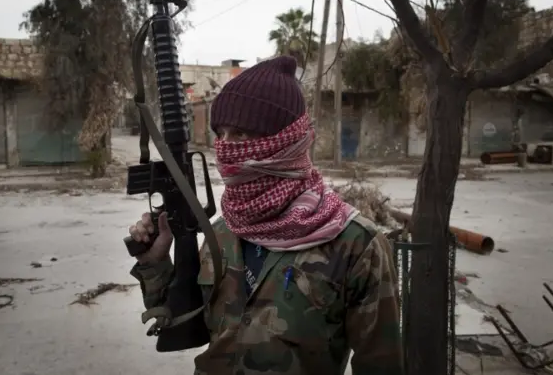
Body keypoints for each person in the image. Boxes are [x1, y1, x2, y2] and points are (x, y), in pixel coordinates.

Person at [128, 56, 403, 375]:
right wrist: (155, 264)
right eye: (222, 134)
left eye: (242, 135)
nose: (227, 149)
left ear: (286, 141)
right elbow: (183, 322)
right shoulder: (223, 232)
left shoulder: (356, 245)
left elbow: (382, 365)